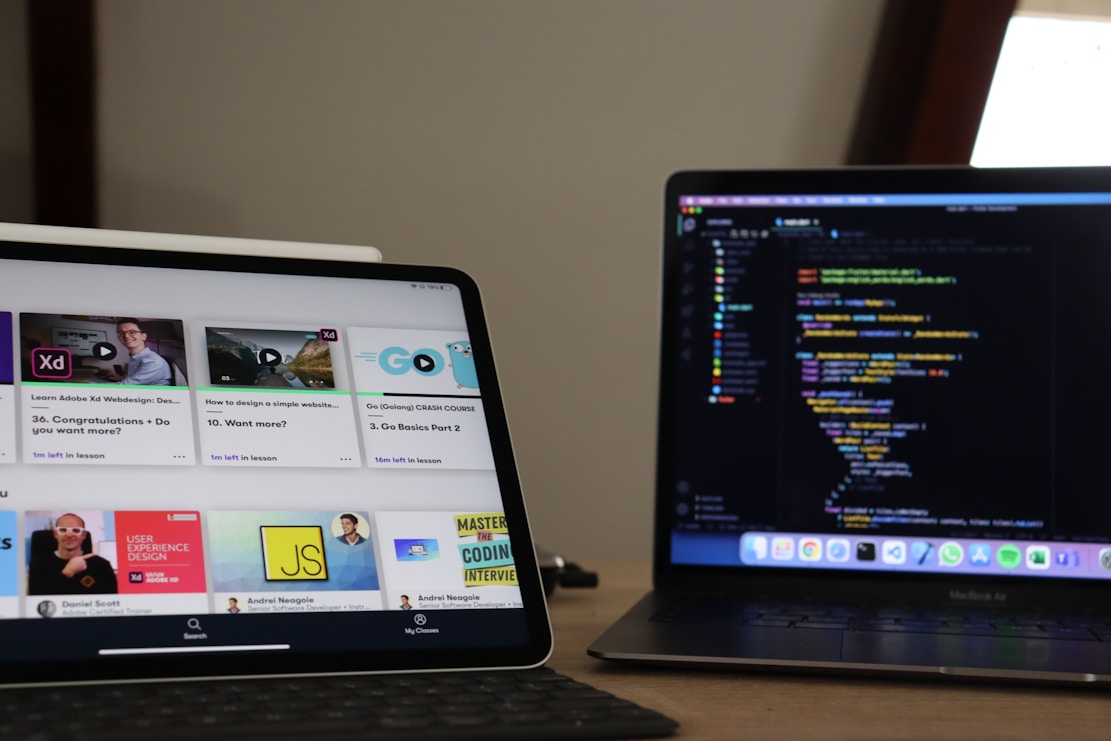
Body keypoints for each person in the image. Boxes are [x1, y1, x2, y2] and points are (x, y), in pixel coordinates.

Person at [28, 514, 118, 595]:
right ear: (56, 534)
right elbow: (39, 604)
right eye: (63, 530)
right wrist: (67, 573)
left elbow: (111, 603)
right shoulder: (39, 566)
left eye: (76, 530)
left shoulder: (101, 565)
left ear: (83, 535)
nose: (69, 535)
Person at [102, 318, 172, 385]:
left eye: (132, 332)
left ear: (143, 336)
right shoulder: (135, 358)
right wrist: (122, 378)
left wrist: (91, 385)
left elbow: (125, 387)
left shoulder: (153, 362)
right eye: (121, 333)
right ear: (118, 338)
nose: (126, 336)